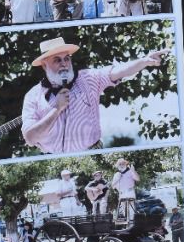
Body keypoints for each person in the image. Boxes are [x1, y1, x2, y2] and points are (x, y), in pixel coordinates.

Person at [20, 36, 168, 154]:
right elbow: (30, 138)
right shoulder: (33, 96)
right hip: (54, 159)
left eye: (66, 58)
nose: (64, 64)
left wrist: (144, 61)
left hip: (92, 153)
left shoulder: (88, 78)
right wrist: (56, 110)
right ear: (44, 65)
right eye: (57, 60)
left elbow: (119, 71)